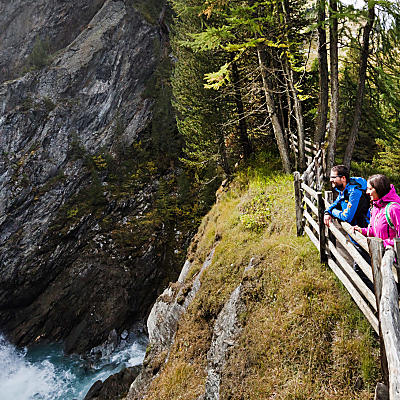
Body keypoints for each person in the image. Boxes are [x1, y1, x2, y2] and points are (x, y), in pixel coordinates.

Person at [354, 174, 400, 247]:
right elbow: (375, 231)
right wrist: (361, 231)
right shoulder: (376, 206)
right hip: (380, 255)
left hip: (392, 257)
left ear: (379, 189)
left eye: (370, 189)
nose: (367, 192)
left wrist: (382, 245)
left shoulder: (394, 209)